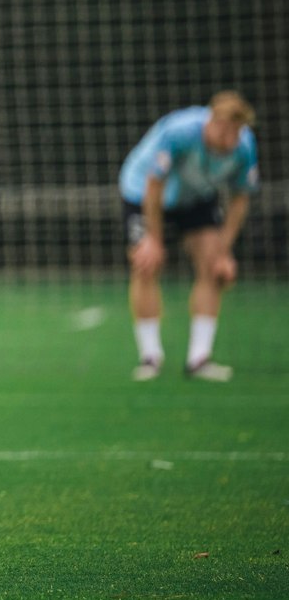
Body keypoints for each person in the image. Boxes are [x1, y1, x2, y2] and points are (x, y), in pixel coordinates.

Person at [119, 91, 259, 382]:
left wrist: (224, 250)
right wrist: (153, 239)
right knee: (146, 264)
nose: (229, 139)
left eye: (236, 132)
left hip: (195, 197)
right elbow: (154, 186)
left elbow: (240, 198)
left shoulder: (245, 146)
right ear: (211, 120)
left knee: (212, 266)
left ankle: (199, 359)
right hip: (143, 193)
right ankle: (150, 358)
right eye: (224, 130)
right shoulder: (179, 132)